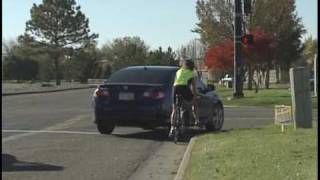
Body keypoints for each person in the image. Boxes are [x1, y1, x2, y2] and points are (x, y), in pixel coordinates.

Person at [169, 59, 199, 137]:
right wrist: (194, 96)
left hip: (175, 88)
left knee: (174, 109)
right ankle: (196, 119)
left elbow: (175, 82)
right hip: (184, 87)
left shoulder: (178, 71)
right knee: (194, 102)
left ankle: (172, 128)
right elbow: (193, 87)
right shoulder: (191, 73)